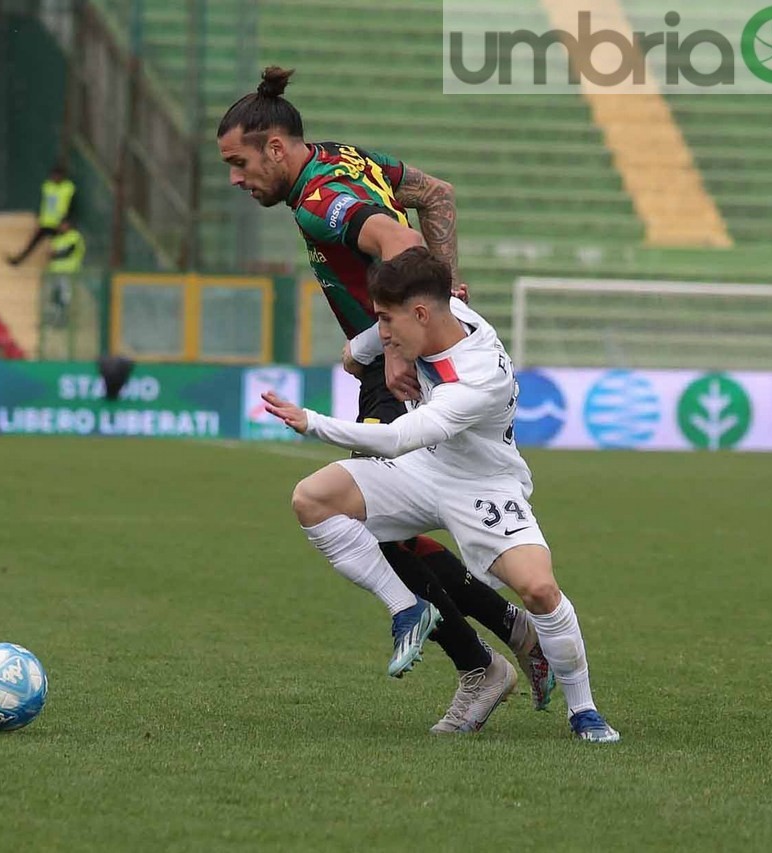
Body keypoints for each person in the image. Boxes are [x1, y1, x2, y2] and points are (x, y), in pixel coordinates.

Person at [217, 66, 553, 734]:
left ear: (276, 149)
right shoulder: (348, 159)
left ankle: (483, 662)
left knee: (369, 519)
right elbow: (438, 196)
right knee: (378, 522)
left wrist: (395, 344)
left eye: (239, 161)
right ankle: (507, 632)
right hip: (412, 353)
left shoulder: (320, 199)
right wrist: (446, 287)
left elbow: (398, 241)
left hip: (405, 368)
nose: (234, 177)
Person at [264, 248, 621, 743]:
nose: (385, 333)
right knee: (313, 498)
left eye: (389, 322)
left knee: (539, 590)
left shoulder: (478, 376)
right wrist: (361, 350)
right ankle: (406, 607)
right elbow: (386, 341)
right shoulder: (450, 314)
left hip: (482, 486)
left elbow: (399, 437)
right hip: (423, 471)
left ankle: (583, 710)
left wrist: (312, 422)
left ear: (422, 315)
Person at [7, 165, 76, 266]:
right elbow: (43, 204)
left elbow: (72, 206)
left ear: (62, 176)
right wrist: (39, 219)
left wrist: (66, 222)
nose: (54, 178)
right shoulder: (47, 186)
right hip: (46, 222)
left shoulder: (68, 188)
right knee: (33, 243)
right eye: (53, 176)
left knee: (59, 246)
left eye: (57, 176)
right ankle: (17, 261)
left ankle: (55, 266)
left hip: (59, 224)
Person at [45, 219, 86, 326]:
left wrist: (54, 254)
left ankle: (63, 318)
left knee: (65, 294)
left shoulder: (75, 236)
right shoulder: (57, 239)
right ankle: (54, 318)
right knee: (55, 294)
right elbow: (50, 254)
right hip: (55, 271)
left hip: (69, 271)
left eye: (62, 224)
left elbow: (68, 252)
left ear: (68, 225)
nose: (60, 227)